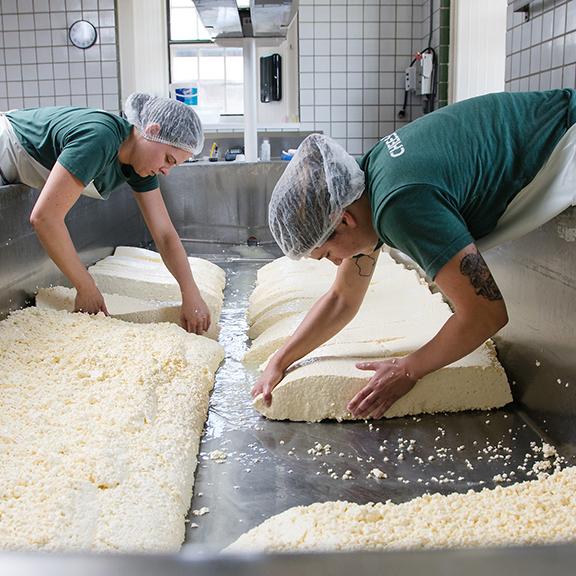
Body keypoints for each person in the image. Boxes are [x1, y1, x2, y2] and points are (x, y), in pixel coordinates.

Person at [253, 89, 576, 419]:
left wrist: (409, 370)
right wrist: (280, 360)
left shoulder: (398, 205)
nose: (336, 263)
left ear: (344, 220)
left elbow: (486, 314)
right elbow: (342, 299)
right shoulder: (369, 180)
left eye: (327, 254)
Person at [0, 93, 211, 335]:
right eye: (168, 159)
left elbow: (164, 234)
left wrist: (190, 292)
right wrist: (85, 286)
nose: (166, 171)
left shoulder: (138, 165)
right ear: (151, 131)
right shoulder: (100, 137)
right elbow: (45, 218)